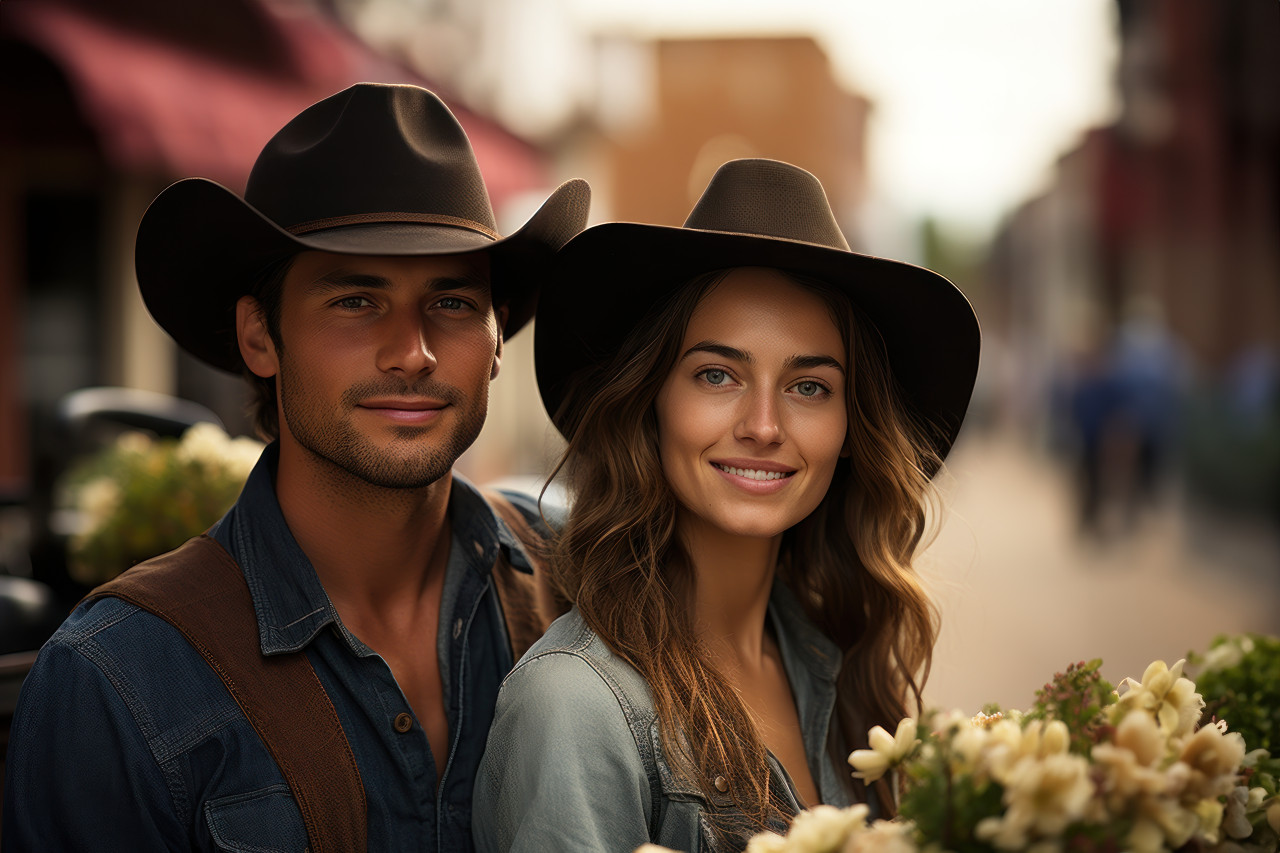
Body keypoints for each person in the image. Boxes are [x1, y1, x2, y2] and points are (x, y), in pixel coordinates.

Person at [3, 83, 587, 851]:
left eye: (450, 302)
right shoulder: (117, 678)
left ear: (499, 335)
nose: (411, 351)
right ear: (260, 337)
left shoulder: (585, 578)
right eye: (355, 300)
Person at [473, 159, 980, 852]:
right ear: (650, 401)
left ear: (850, 427)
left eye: (810, 386)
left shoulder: (833, 658)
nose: (764, 425)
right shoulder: (576, 706)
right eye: (717, 374)